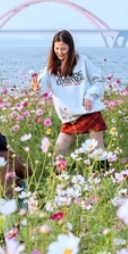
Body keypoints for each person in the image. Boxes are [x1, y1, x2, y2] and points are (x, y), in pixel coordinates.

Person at [29, 30, 107, 161]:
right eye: (57, 48)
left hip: (89, 111)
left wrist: (90, 95)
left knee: (98, 154)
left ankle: (104, 178)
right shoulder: (51, 69)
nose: (60, 52)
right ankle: (57, 179)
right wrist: (36, 88)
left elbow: (98, 81)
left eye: (63, 49)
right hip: (69, 117)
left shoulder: (83, 61)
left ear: (70, 47)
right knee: (57, 157)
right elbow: (42, 84)